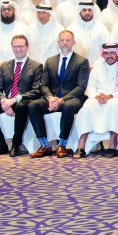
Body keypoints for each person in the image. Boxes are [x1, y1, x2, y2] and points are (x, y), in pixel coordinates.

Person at [0, 34, 44, 157]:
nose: (18, 49)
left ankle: (16, 144)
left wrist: (14, 100)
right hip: (8, 100)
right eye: (15, 47)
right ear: (12, 48)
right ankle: (1, 145)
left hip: (25, 100)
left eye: (21, 46)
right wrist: (4, 101)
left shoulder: (36, 66)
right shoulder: (5, 66)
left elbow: (36, 91)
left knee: (20, 106)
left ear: (27, 47)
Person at [27, 30, 88, 158]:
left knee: (68, 106)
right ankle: (45, 145)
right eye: (62, 40)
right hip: (53, 97)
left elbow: (81, 86)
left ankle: (62, 144)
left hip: (73, 98)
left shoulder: (81, 61)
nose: (65, 43)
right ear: (58, 42)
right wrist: (50, 98)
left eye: (68, 40)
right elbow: (43, 84)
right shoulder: (50, 61)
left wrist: (62, 100)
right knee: (33, 105)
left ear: (73, 42)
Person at [73, 43, 118, 158]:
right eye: (106, 53)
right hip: (99, 98)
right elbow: (90, 89)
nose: (109, 56)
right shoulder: (96, 70)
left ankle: (112, 144)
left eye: (112, 53)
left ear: (117, 53)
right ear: (103, 54)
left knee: (113, 105)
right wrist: (97, 96)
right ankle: (81, 145)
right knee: (87, 106)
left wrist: (110, 96)